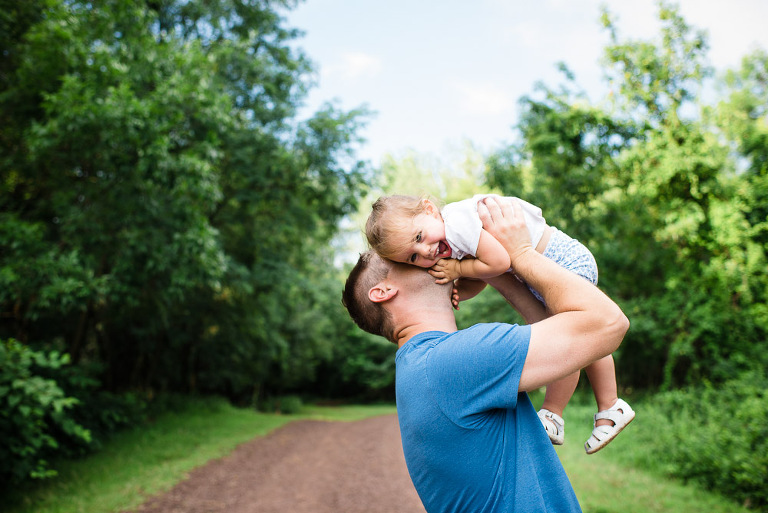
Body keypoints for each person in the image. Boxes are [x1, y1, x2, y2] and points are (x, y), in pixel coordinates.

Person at [343, 197, 630, 512]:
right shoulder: (452, 362)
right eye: (408, 260)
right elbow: (608, 323)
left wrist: (496, 267)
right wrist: (521, 253)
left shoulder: (425, 367)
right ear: (383, 291)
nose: (428, 256)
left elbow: (547, 320)